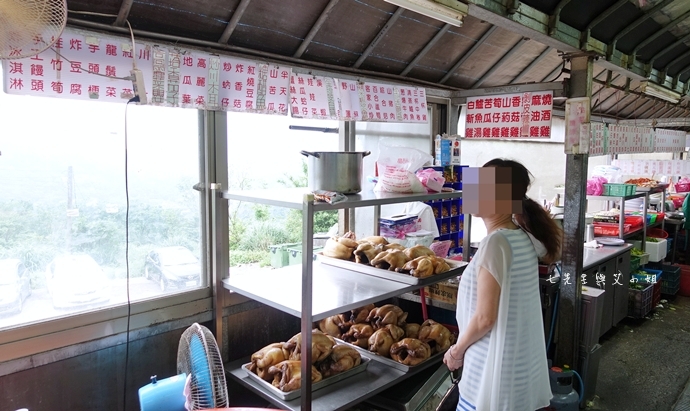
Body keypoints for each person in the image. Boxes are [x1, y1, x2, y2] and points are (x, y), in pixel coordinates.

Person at [442, 158, 562, 411]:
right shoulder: (523, 238)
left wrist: (456, 352)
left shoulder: (495, 244)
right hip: (514, 372)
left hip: (488, 373)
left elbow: (485, 318)